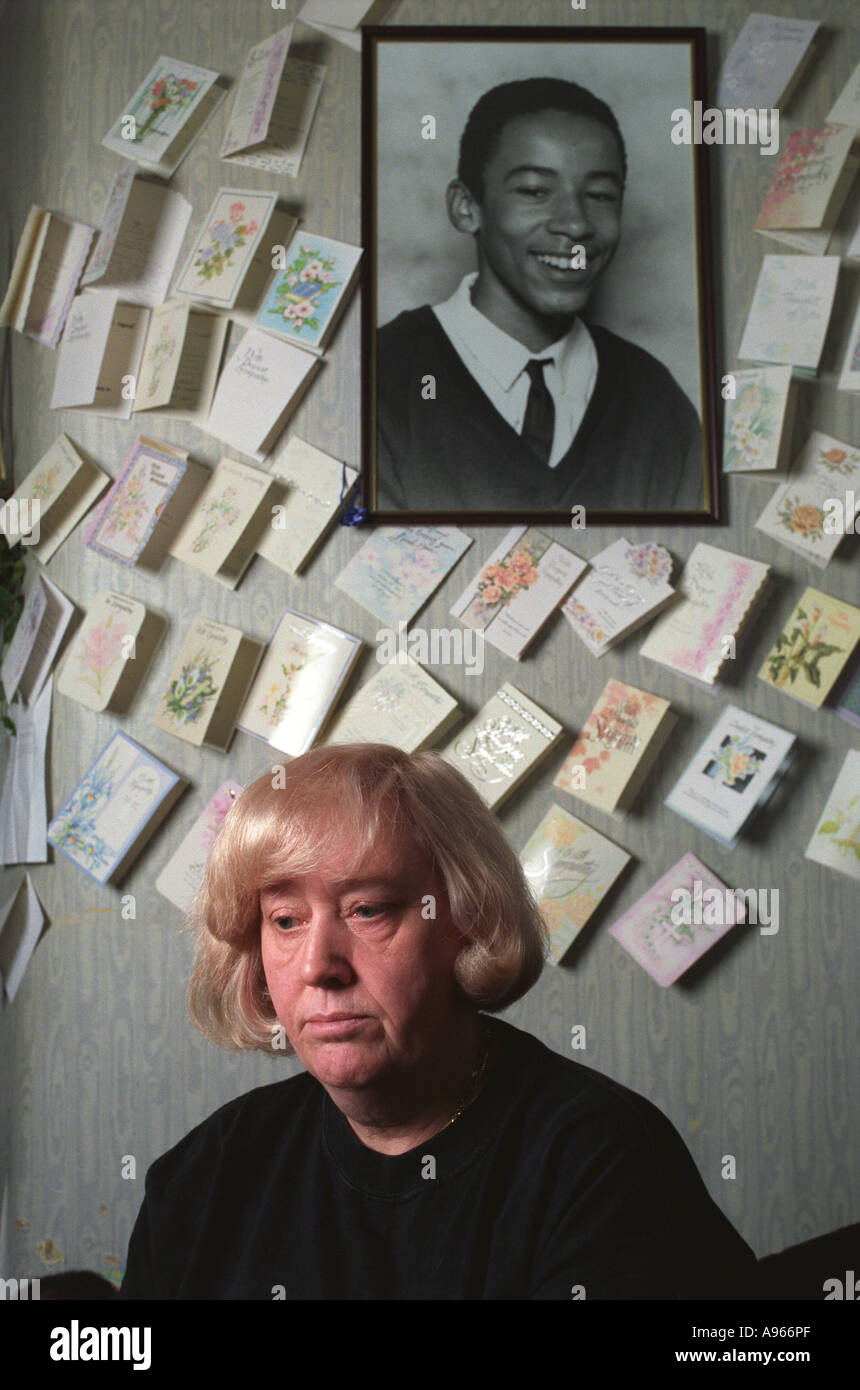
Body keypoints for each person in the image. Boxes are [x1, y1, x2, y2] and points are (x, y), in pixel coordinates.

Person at [118, 743, 757, 1301]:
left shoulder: (598, 1158)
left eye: (367, 910)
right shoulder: (207, 1172)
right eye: (285, 920)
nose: (319, 966)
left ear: (467, 919)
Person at [375, 77, 705, 514]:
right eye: (534, 191)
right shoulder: (381, 380)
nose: (575, 223)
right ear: (466, 207)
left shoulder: (657, 406)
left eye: (601, 195)